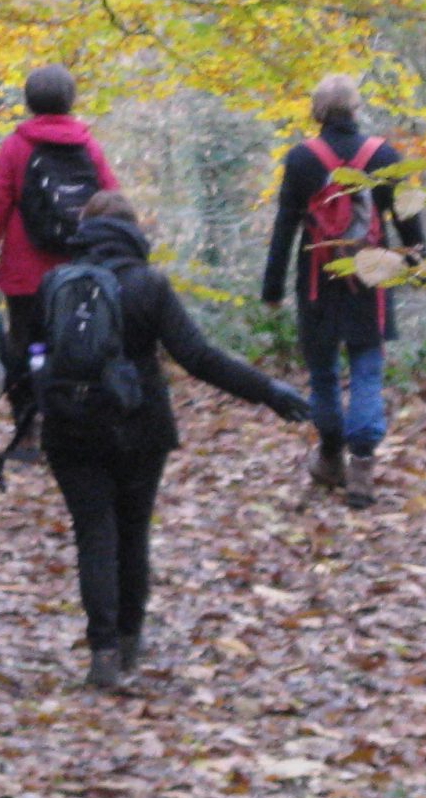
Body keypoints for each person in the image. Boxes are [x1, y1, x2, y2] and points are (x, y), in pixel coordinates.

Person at [38, 191, 309, 691]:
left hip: (70, 427)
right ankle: (128, 644)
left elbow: (31, 356)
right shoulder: (148, 285)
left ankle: (101, 651)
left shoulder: (56, 283)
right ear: (133, 232)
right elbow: (199, 358)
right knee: (131, 534)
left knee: (93, 535)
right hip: (139, 427)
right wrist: (267, 391)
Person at [260, 74, 426, 508]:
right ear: (356, 110)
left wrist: (273, 287)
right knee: (367, 369)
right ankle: (362, 466)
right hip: (371, 280)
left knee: (323, 374)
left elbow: (285, 226)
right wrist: (419, 267)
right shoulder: (384, 155)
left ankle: (331, 454)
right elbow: (408, 219)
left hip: (317, 281)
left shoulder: (301, 159)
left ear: (318, 112)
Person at [0, 63, 118, 453]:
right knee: (73, 348)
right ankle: (69, 427)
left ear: (29, 101)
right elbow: (112, 203)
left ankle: (26, 432)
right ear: (71, 99)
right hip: (79, 271)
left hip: (25, 273)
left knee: (22, 349)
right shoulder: (88, 146)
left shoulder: (16, 147)